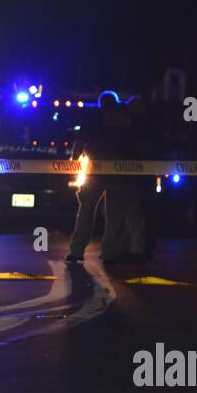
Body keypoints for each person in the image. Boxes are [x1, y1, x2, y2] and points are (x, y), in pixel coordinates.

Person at [66, 93, 147, 265]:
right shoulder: (126, 118)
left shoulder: (95, 119)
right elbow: (135, 144)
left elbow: (80, 143)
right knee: (114, 216)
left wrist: (74, 163)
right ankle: (109, 252)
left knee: (86, 212)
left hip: (97, 169)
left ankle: (77, 250)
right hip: (118, 171)